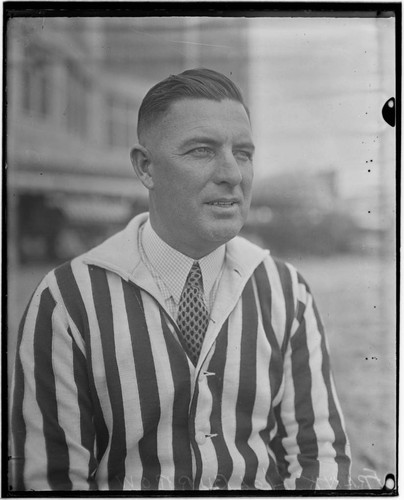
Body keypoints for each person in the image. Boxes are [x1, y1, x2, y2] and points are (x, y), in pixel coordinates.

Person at [10, 68, 351, 491]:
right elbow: (50, 479)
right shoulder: (66, 300)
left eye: (243, 153)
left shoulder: (286, 291)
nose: (233, 173)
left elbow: (320, 457)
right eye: (202, 151)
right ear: (146, 167)